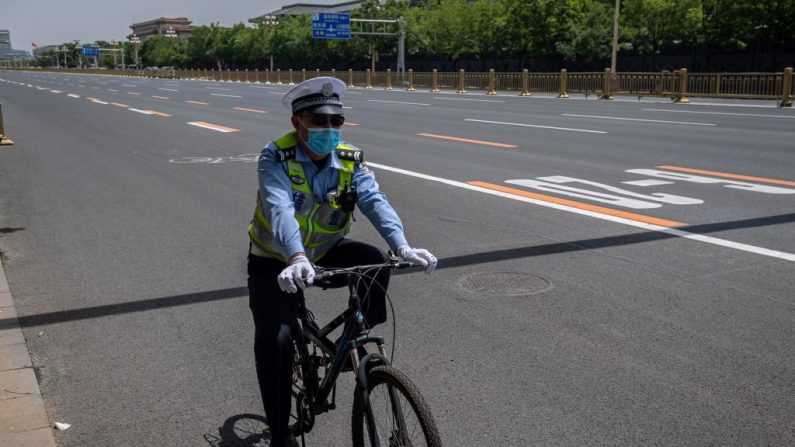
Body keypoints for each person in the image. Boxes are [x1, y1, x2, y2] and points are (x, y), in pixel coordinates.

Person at [246, 76, 437, 447]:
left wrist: (402, 245)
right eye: (319, 120)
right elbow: (280, 208)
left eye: (336, 121)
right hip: (275, 260)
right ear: (297, 121)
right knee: (280, 340)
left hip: (324, 250)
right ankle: (281, 435)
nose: (329, 128)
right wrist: (295, 255)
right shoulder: (276, 156)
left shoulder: (350, 159)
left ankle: (355, 334)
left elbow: (374, 201)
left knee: (375, 260)